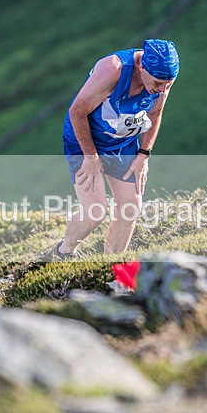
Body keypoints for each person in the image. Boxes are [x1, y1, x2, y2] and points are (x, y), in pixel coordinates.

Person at [54, 39, 179, 258]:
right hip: (85, 141)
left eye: (168, 83)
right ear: (142, 67)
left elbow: (155, 113)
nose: (163, 90)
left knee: (131, 207)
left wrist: (144, 154)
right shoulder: (113, 69)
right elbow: (77, 112)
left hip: (121, 141)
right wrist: (91, 158)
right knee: (95, 211)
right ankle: (63, 252)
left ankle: (111, 265)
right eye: (159, 83)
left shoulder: (163, 77)